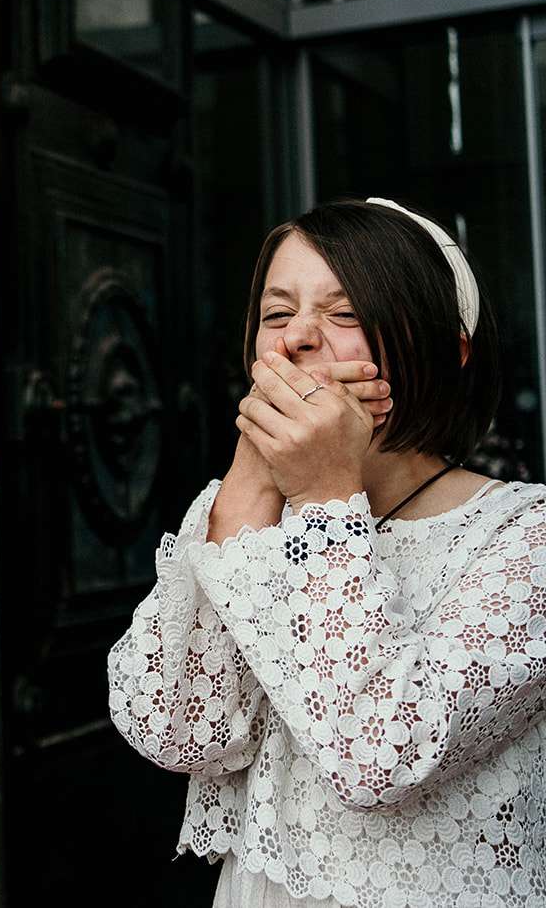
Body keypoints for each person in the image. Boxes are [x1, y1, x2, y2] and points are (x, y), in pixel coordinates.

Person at [107, 199, 546, 907]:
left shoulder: (525, 537)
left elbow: (379, 756)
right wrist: (254, 478)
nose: (298, 338)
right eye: (277, 314)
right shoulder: (248, 514)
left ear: (450, 349)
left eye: (345, 314)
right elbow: (177, 730)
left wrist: (323, 493)